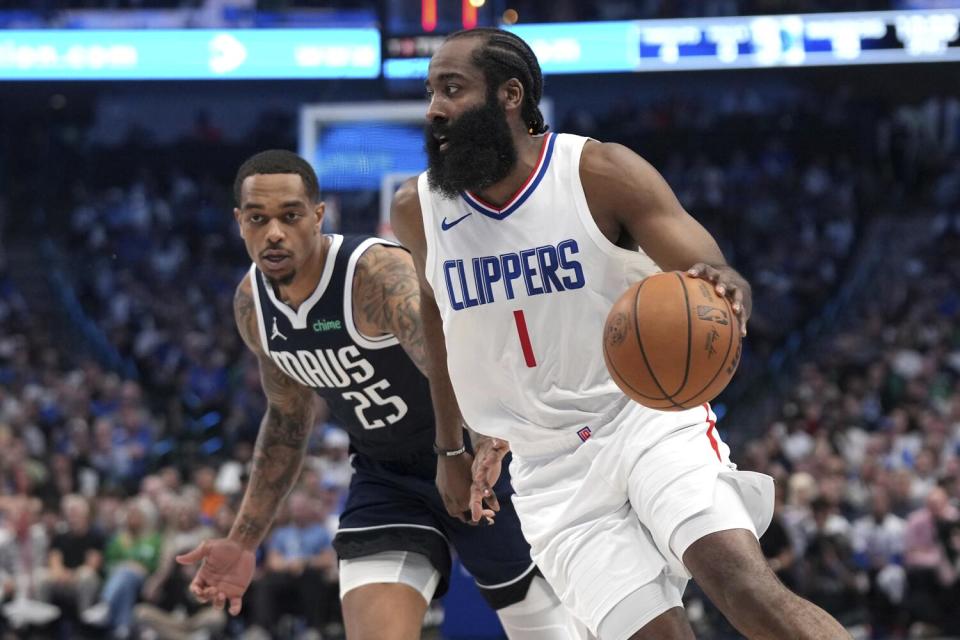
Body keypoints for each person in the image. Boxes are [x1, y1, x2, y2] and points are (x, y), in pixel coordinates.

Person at [390, 27, 852, 639]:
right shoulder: (416, 209)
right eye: (431, 91)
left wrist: (724, 281)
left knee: (741, 584)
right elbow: (436, 314)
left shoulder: (599, 172)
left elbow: (706, 268)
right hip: (546, 466)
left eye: (452, 88)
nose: (434, 109)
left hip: (645, 418)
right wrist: (451, 447)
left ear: (509, 94)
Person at [175, 149, 582, 639]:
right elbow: (286, 421)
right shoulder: (253, 306)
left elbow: (457, 368)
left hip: (479, 460)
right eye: (258, 219)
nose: (274, 233)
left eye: (290, 216)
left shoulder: (374, 276)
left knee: (549, 632)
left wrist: (466, 453)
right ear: (240, 222)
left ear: (319, 216)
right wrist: (243, 541)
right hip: (386, 478)